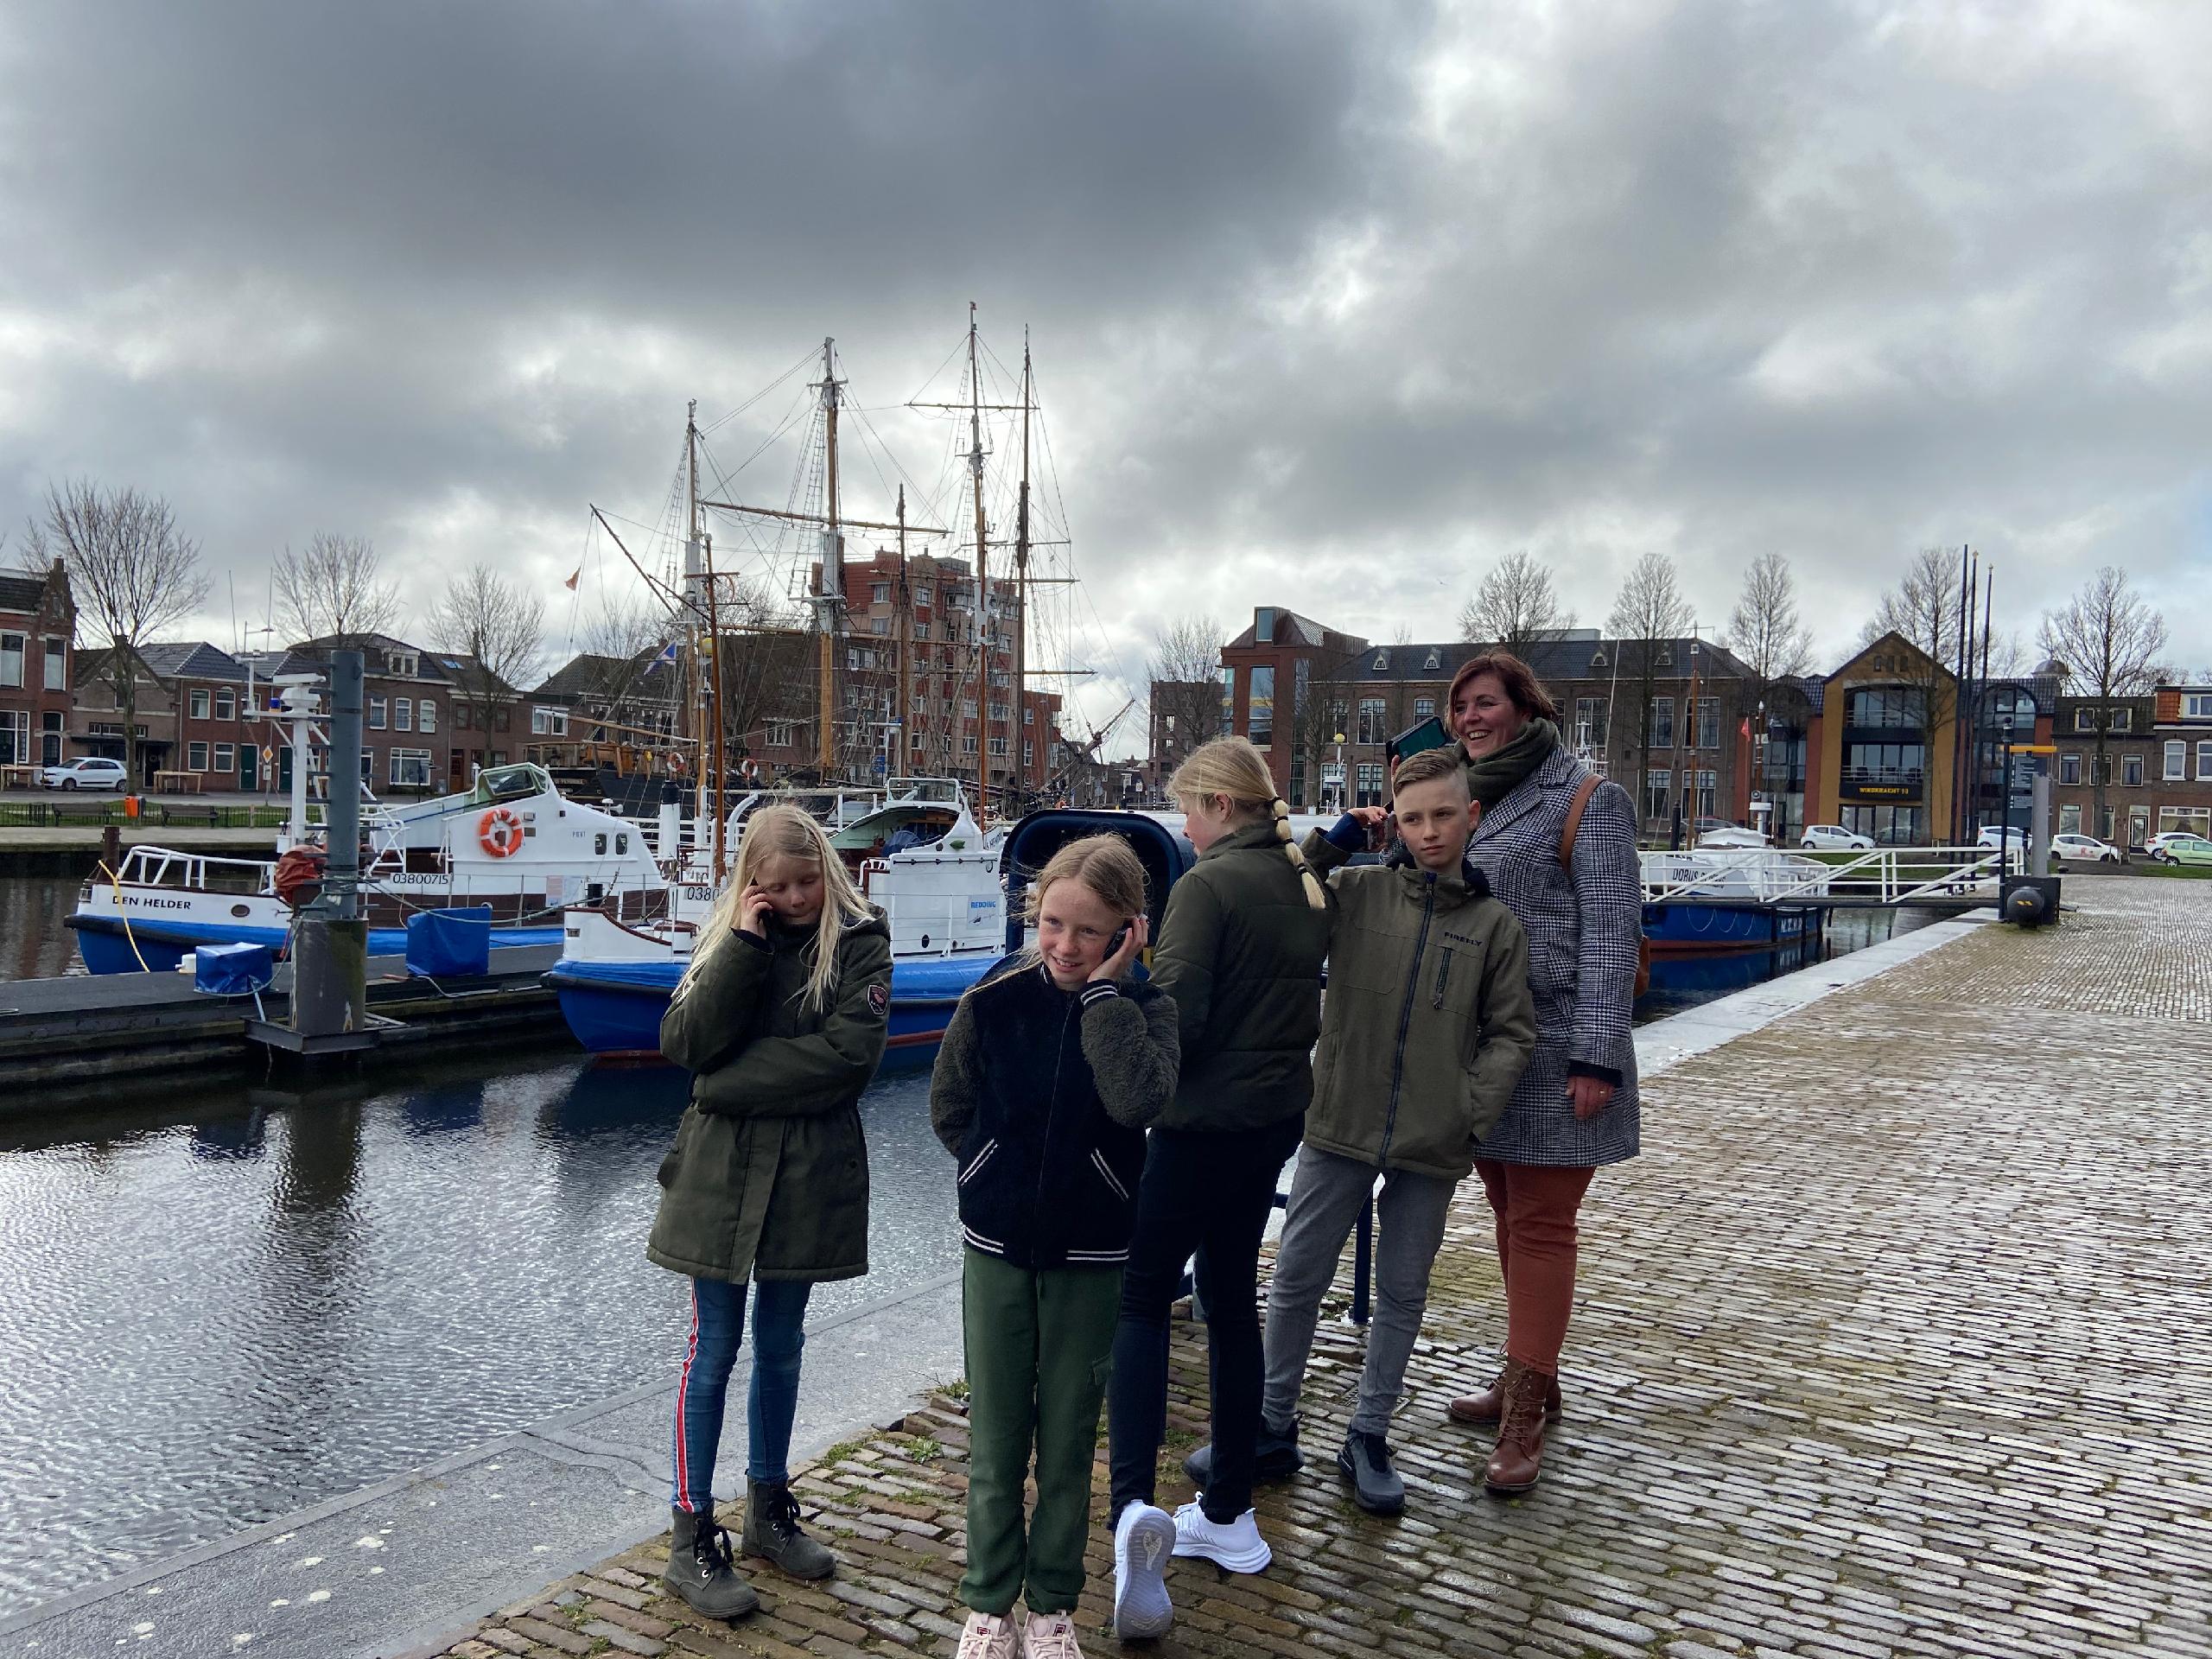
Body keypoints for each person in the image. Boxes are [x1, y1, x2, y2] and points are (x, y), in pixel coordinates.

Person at [1201, 747, 1535, 1517]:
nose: (1428, 832)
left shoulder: (1494, 927)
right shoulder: (1354, 893)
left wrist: (1468, 1112)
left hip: (1431, 1142)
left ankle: (1368, 1433)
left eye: (1444, 815)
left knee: (1402, 1291)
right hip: (1338, 1122)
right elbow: (1285, 896)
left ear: (1471, 816)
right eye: (1413, 818)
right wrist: (1336, 838)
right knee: (1294, 1278)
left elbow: (1512, 1034)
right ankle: (1271, 1425)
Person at [930, 835, 1180, 1659]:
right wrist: (988, 1167)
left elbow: (1138, 1097)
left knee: (1069, 1437)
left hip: (1092, 1254)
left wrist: (1105, 999)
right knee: (998, 1436)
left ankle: (1052, 1607)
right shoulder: (994, 1000)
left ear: (1128, 933)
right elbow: (951, 1105)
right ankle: (989, 1600)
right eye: (1051, 924)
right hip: (997, 1245)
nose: (1066, 946)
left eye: (1088, 931)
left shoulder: (1148, 1012)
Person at [1104, 738, 1332, 1641]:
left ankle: (1129, 1511)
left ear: (1220, 805)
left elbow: (1177, 1016)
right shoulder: (1299, 881)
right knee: (1233, 1300)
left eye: (1191, 811)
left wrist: (1126, 987)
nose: (1187, 830)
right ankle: (1229, 1509)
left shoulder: (1207, 887)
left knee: (1140, 1297)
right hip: (1272, 1117)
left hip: (1199, 1125)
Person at [647, 804, 894, 1618]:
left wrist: (723, 1085)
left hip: (806, 1178)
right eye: (776, 887)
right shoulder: (727, 939)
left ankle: (767, 1511)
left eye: (805, 881)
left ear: (827, 867)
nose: (794, 898)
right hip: (719, 1180)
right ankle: (691, 1538)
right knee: (711, 1351)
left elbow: (846, 1059)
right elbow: (684, 1040)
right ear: (751, 884)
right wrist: (746, 950)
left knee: (781, 1346)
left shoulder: (860, 942)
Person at [1440, 651, 1642, 1494]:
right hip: (1486, 1048)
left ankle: (1525, 1417)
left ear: (1525, 707)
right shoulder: (1466, 793)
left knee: (1542, 1222)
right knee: (1503, 1209)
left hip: (1560, 1043)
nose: (1468, 719)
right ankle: (1532, 1372)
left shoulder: (1588, 799)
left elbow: (1610, 934)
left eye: (1482, 704)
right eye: (1458, 709)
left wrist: (1596, 1055)